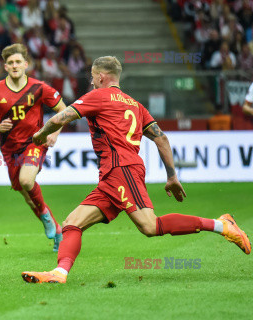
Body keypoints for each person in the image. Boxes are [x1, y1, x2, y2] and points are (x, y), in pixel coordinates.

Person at [22, 56, 251, 283]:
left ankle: (222, 225)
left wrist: (40, 135)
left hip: (122, 169)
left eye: (93, 78)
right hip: (113, 175)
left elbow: (60, 118)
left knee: (150, 226)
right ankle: (59, 273)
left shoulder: (98, 96)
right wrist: (171, 176)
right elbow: (161, 138)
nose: (91, 82)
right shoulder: (136, 105)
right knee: (73, 223)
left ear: (101, 76)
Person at [0, 43, 67, 251]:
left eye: (18, 61)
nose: (14, 65)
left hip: (34, 142)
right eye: (10, 63)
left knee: (27, 180)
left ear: (26, 64)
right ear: (5, 67)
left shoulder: (39, 88)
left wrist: (54, 133)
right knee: (28, 198)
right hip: (9, 149)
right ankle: (57, 229)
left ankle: (45, 217)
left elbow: (63, 110)